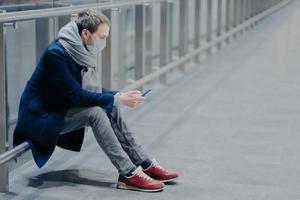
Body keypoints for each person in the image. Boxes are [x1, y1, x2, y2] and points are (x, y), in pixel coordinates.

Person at [13, 9, 178, 192]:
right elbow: (76, 95)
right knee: (96, 112)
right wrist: (117, 98)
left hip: (60, 108)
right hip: (42, 118)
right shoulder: (57, 54)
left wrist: (121, 96)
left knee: (110, 106)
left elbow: (91, 92)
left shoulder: (79, 50)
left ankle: (144, 163)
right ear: (85, 33)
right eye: (102, 37)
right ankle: (128, 173)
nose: (104, 42)